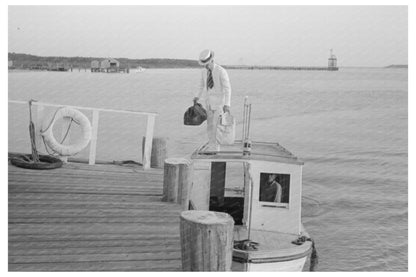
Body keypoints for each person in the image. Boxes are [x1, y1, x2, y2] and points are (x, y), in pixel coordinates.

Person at [193, 49, 231, 147]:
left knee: (218, 127)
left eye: (207, 63)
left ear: (211, 60)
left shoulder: (221, 71)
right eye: (204, 64)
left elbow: (228, 89)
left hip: (220, 105)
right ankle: (211, 146)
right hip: (209, 103)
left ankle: (218, 149)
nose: (205, 66)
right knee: (210, 127)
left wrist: (227, 104)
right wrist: (197, 96)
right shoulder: (203, 72)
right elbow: (201, 85)